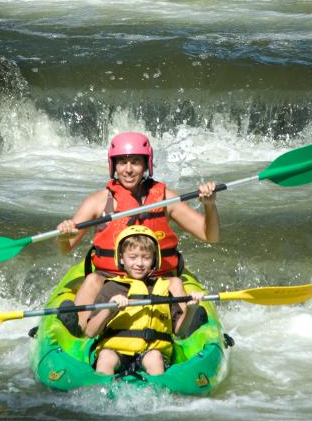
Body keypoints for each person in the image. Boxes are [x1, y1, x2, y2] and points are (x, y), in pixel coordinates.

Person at [57, 131, 219, 336]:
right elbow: (66, 247)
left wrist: (210, 206)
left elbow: (209, 236)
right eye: (122, 162)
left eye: (135, 162)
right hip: (111, 279)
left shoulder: (165, 199)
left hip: (157, 278)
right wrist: (63, 236)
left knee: (177, 282)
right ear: (113, 166)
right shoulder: (98, 201)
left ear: (146, 165)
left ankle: (186, 328)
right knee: (91, 280)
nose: (128, 170)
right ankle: (76, 330)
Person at [81, 225, 203, 375]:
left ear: (154, 260)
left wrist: (190, 309)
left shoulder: (163, 288)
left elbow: (179, 332)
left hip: (152, 352)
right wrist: (108, 309)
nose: (139, 263)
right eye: (132, 257)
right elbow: (90, 332)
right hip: (116, 351)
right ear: (121, 259)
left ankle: (159, 393)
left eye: (146, 257)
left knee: (154, 357)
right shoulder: (111, 288)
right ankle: (101, 391)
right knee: (106, 356)